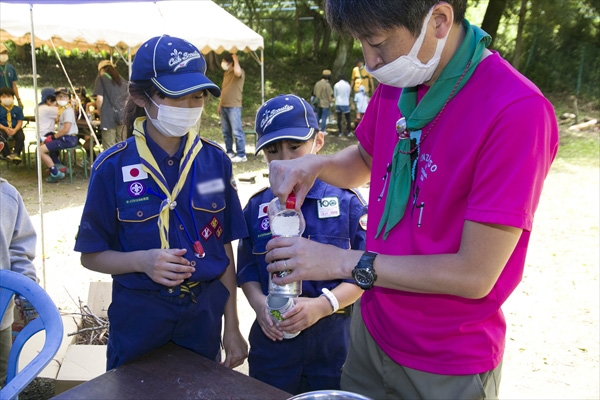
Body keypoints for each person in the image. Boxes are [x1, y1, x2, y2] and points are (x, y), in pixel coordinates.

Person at [264, 1, 560, 399]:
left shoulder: (516, 111)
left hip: (446, 358)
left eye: (379, 44)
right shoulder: (402, 78)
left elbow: (473, 274)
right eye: (362, 45)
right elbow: (370, 158)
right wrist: (317, 165)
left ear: (437, 21)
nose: (370, 63)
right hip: (373, 333)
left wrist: (339, 261)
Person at [74, 35, 249, 371]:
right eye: (174, 97)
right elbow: (91, 256)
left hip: (203, 317)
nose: (188, 108)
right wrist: (143, 261)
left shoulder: (214, 163)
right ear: (141, 96)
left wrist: (233, 326)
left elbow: (222, 247)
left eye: (197, 96)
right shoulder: (112, 167)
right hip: (139, 318)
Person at [237, 94, 367, 395]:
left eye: (295, 145)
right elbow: (246, 271)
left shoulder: (347, 202)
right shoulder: (257, 207)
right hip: (274, 344)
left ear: (318, 142)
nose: (285, 157)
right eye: (272, 150)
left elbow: (366, 273)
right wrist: (259, 306)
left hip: (333, 343)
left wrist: (323, 306)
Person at [0, 178, 38, 387]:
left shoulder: (8, 196)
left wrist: (27, 289)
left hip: (0, 316)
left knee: (3, 381)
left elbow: (19, 251)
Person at [39, 87, 79, 183]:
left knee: (40, 150)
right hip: (66, 138)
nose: (61, 99)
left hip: (68, 138)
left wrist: (52, 137)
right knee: (45, 147)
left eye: (64, 96)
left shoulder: (67, 111)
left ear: (69, 99)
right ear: (56, 98)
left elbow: (66, 129)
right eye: (59, 96)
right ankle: (59, 166)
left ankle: (55, 172)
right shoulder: (63, 110)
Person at [93, 60, 128, 150]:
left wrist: (100, 112)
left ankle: (112, 164)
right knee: (122, 145)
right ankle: (122, 163)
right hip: (122, 116)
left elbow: (99, 99)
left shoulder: (101, 79)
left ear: (101, 70)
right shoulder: (123, 81)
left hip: (108, 118)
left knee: (110, 148)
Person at [218, 52, 246, 162]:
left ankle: (241, 154)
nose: (222, 63)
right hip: (224, 105)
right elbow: (223, 89)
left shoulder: (238, 72)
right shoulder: (226, 74)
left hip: (234, 106)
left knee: (237, 131)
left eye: (224, 61)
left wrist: (235, 59)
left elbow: (238, 72)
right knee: (226, 131)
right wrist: (220, 104)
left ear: (230, 63)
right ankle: (229, 151)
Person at [0, 87, 25, 163]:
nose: (6, 98)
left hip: (15, 128)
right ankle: (7, 154)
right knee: (1, 137)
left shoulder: (17, 109)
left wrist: (15, 129)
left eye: (9, 96)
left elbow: (20, 121)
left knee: (21, 136)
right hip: (2, 128)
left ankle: (16, 154)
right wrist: (5, 128)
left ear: (13, 97)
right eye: (4, 97)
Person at [0, 43, 22, 109]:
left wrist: (18, 99)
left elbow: (14, 85)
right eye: (2, 53)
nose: (4, 55)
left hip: (9, 98)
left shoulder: (10, 68)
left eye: (5, 53)